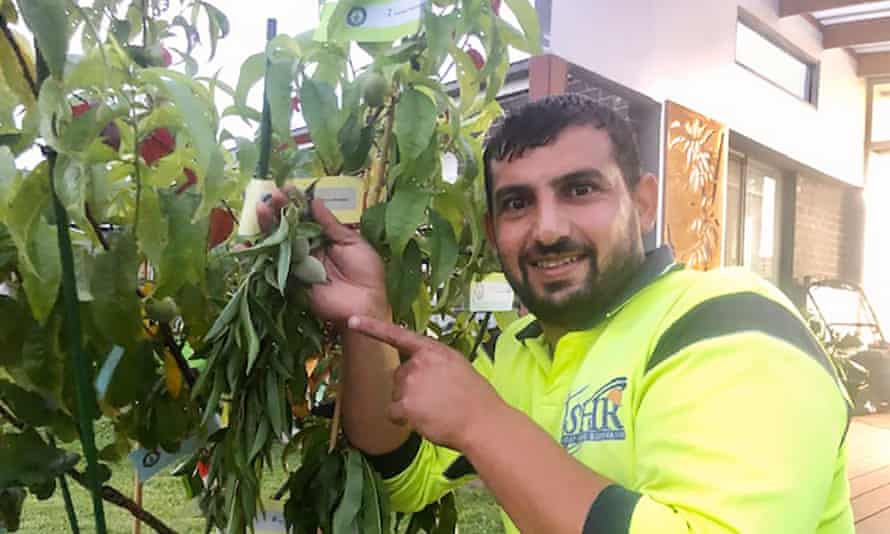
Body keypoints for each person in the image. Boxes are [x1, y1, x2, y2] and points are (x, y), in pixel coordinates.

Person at [256, 94, 853, 533]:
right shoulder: (514, 350)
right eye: (518, 203)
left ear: (643, 205)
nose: (546, 229)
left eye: (580, 190)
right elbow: (405, 472)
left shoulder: (728, 323)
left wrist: (484, 423)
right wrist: (367, 315)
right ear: (493, 231)